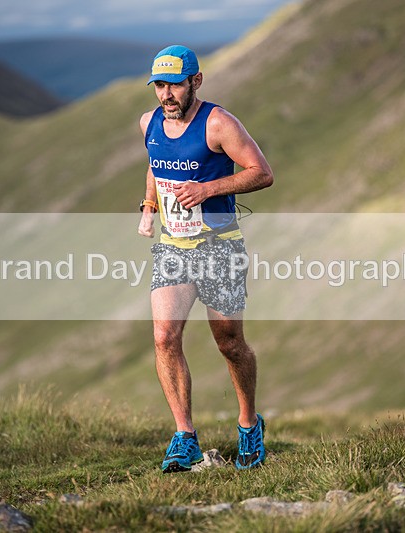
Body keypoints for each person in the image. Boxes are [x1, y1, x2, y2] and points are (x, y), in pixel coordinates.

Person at [137, 45, 274, 472]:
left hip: (220, 246)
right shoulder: (149, 122)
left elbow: (262, 172)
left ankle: (249, 424)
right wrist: (149, 206)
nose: (166, 94)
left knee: (229, 341)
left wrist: (207, 189)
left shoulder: (219, 123)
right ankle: (185, 436)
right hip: (173, 248)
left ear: (195, 81)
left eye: (174, 84)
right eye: (159, 85)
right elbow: (155, 164)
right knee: (164, 338)